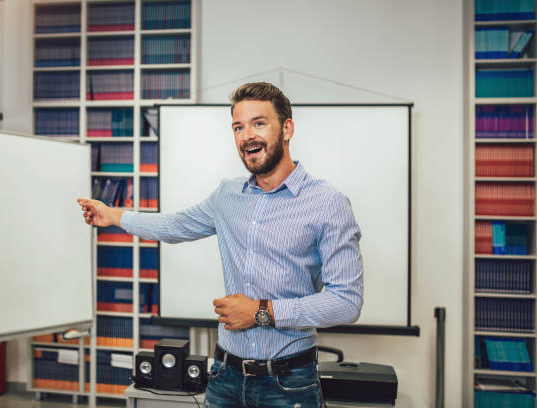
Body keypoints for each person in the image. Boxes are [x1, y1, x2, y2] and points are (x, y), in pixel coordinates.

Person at [78, 82, 364, 408]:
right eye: (238, 127)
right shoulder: (227, 195)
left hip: (289, 384)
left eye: (259, 123)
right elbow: (175, 225)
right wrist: (113, 215)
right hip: (225, 377)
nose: (246, 136)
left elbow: (346, 301)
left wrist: (262, 312)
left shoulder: (328, 203)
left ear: (287, 128)